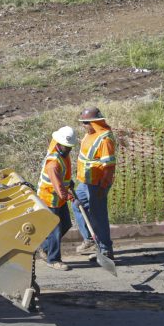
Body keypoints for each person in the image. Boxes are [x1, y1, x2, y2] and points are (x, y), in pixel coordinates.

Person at [72, 107, 116, 260]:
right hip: (86, 181)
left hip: (97, 183)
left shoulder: (105, 140)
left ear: (94, 122)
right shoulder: (90, 134)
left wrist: (102, 187)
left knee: (98, 216)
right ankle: (91, 239)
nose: (83, 125)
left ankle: (105, 249)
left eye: (85, 122)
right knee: (78, 205)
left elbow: (109, 166)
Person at [37, 126, 78, 271]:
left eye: (70, 147)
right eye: (66, 147)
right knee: (56, 230)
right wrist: (70, 196)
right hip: (49, 199)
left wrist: (69, 181)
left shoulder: (64, 155)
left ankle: (44, 248)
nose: (68, 150)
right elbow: (59, 188)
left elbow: (64, 175)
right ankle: (53, 259)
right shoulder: (53, 164)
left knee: (66, 224)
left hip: (58, 199)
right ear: (59, 144)